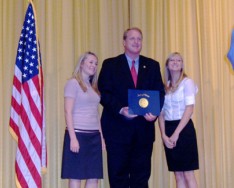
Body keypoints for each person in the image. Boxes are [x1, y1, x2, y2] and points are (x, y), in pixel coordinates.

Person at [98, 27, 165, 188]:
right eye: (132, 38)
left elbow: (160, 93)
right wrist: (121, 109)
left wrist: (154, 113)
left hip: (143, 131)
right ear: (124, 42)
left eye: (139, 39)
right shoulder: (110, 64)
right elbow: (104, 93)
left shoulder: (152, 65)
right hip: (117, 130)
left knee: (141, 178)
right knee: (117, 176)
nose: (136, 42)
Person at [61, 51, 105, 188]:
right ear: (82, 64)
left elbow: (96, 114)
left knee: (94, 177)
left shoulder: (94, 87)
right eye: (90, 62)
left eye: (96, 63)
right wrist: (73, 138)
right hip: (78, 134)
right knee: (76, 176)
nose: (94, 65)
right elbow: (68, 111)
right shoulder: (73, 83)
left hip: (94, 137)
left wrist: (101, 138)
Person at [158, 52, 199, 188]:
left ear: (182, 65)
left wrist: (176, 133)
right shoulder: (165, 86)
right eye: (172, 60)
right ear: (167, 65)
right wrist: (164, 135)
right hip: (168, 128)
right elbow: (161, 113)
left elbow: (189, 109)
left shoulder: (187, 83)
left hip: (184, 129)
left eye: (179, 60)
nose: (175, 62)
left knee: (188, 173)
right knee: (178, 175)